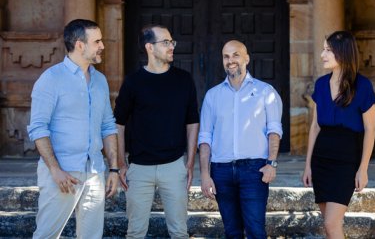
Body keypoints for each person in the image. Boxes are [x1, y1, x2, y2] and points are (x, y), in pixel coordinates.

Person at [27, 19, 119, 239]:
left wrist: (113, 168)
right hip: (62, 174)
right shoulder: (50, 79)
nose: (102, 46)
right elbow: (38, 128)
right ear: (80, 45)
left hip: (95, 171)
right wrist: (55, 170)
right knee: (46, 236)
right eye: (97, 41)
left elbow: (107, 125)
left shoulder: (101, 81)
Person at [114, 24, 199, 238]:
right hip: (139, 168)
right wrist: (120, 164)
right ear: (149, 47)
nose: (172, 46)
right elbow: (119, 124)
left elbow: (192, 122)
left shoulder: (184, 79)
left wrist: (189, 162)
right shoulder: (133, 82)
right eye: (166, 42)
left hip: (173, 166)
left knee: (179, 231)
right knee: (135, 232)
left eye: (172, 42)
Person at [198, 40, 283, 238]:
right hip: (221, 171)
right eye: (226, 56)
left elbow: (274, 130)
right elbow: (205, 137)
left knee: (255, 230)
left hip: (254, 170)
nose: (230, 60)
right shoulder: (213, 96)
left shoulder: (265, 91)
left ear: (247, 59)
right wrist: (204, 174)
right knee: (232, 231)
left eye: (236, 55)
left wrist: (271, 163)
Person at [302, 31, 375, 239]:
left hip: (346, 159)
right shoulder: (321, 85)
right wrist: (308, 164)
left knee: (331, 224)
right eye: (323, 49)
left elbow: (371, 129)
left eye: (328, 50)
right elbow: (315, 126)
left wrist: (363, 169)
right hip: (321, 158)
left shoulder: (363, 86)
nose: (322, 55)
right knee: (329, 227)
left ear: (342, 53)